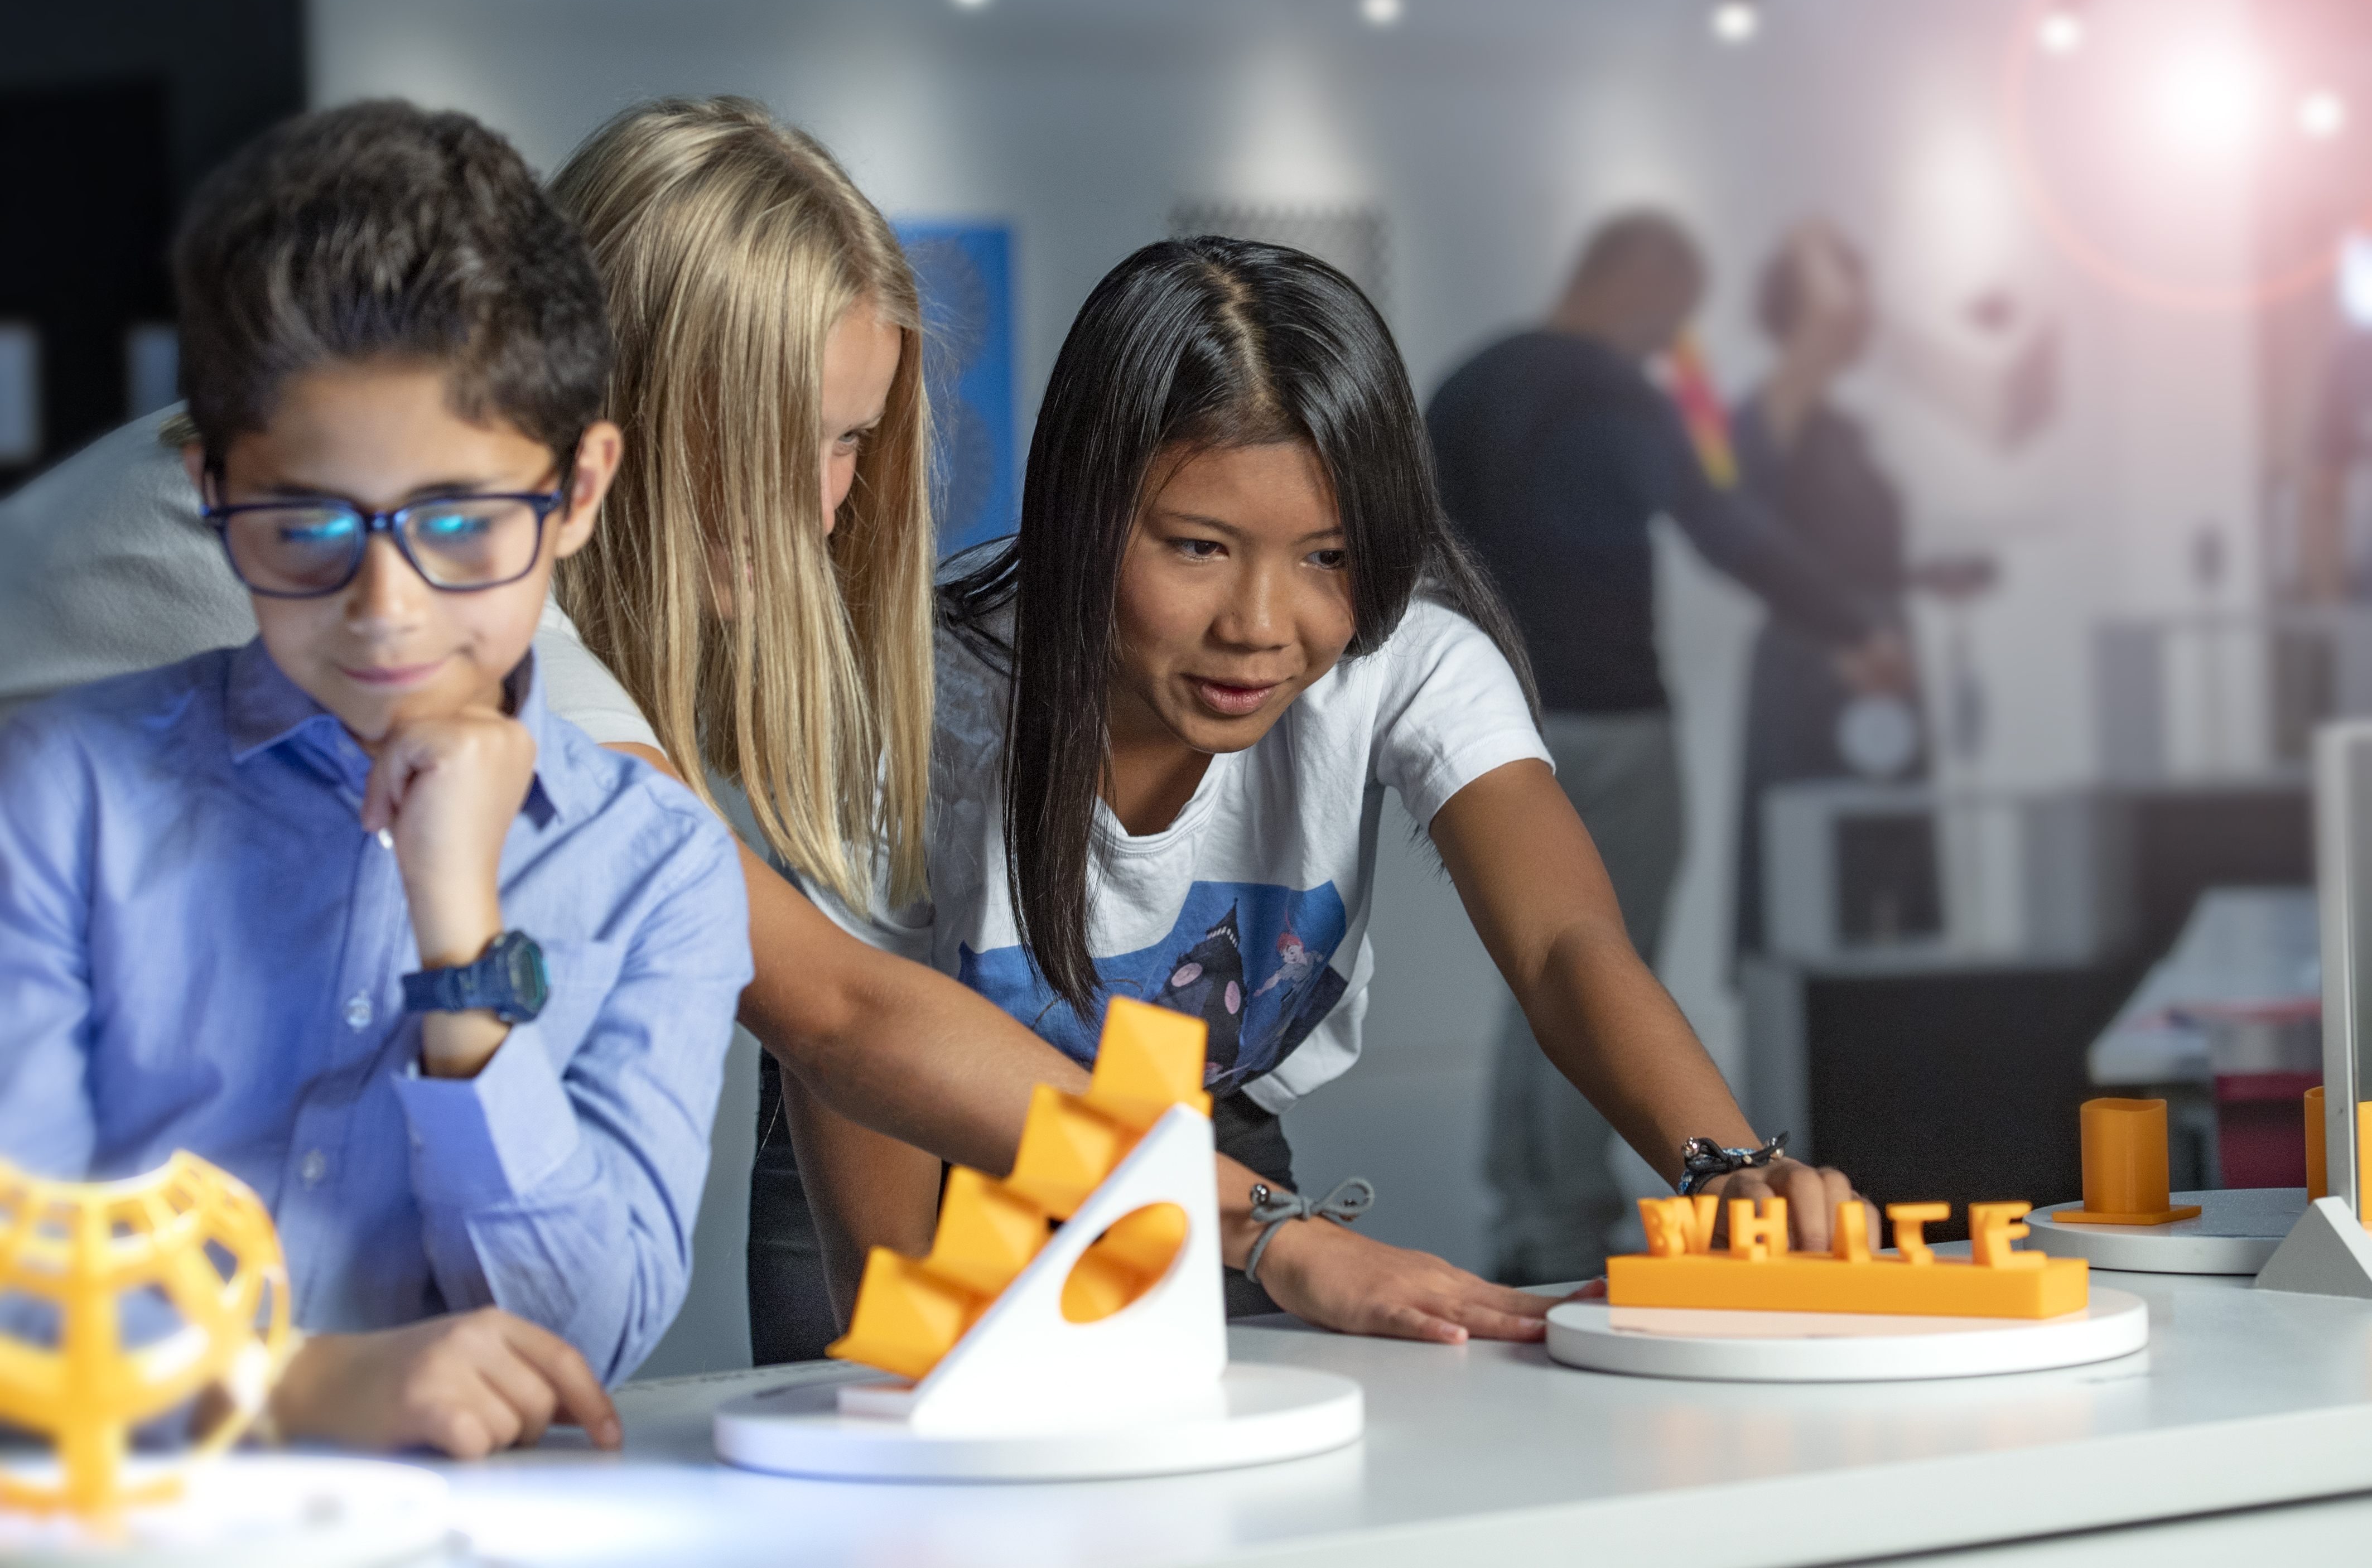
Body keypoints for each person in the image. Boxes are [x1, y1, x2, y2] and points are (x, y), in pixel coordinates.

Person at [0, 97, 1630, 1364]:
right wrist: (1274, 1238)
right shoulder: (424, 564)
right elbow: (844, 1007)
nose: (829, 502)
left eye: (855, 441)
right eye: (794, 438)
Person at [817, 234, 1860, 1337]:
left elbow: (1562, 945)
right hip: (908, 1141)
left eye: (1326, 557)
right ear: (1083, 506)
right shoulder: (919, 703)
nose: (1260, 628)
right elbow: (856, 1031)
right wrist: (910, 1355)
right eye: (1197, 547)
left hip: (1196, 1147)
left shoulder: (1406, 654)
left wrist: (1723, 1164)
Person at [0, 102, 754, 1456]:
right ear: (209, 484)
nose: (385, 609)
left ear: (580, 489)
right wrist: (296, 1389)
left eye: (462, 523)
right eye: (303, 527)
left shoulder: (656, 865)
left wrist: (460, 933)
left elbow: (582, 1337)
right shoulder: (60, 797)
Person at [1426, 209, 1910, 1287]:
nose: (1671, 344)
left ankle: (1528, 1203)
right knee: (1598, 960)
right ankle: (1561, 1216)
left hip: (1481, 727)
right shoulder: (1621, 393)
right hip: (1612, 722)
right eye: (1673, 319)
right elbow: (1723, 525)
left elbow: (1405, 547)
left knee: (1536, 968)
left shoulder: (1464, 387)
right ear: (1643, 288)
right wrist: (1853, 631)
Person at [1729, 222, 1993, 958]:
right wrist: (1814, 251)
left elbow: (1842, 545)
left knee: (1893, 878)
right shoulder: (1768, 413)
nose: (1867, 318)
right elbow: (1775, 542)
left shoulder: (1843, 426)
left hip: (1880, 660)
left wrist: (1918, 580)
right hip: (1819, 671)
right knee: (1820, 887)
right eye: (1855, 303)